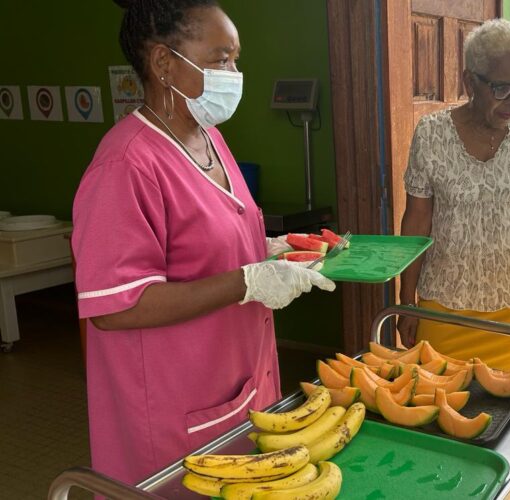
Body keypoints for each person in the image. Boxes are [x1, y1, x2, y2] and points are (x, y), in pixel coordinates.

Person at [72, 0, 335, 485]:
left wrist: (266, 250)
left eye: (235, 60)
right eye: (220, 60)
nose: (234, 73)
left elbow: (213, 237)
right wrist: (247, 280)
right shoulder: (126, 165)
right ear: (163, 63)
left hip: (240, 385)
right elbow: (115, 307)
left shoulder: (209, 138)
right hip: (177, 408)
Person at [397, 19, 510, 370]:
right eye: (502, 88)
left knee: (497, 401)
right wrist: (406, 300)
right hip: (445, 298)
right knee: (439, 396)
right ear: (470, 81)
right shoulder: (431, 134)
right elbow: (416, 220)